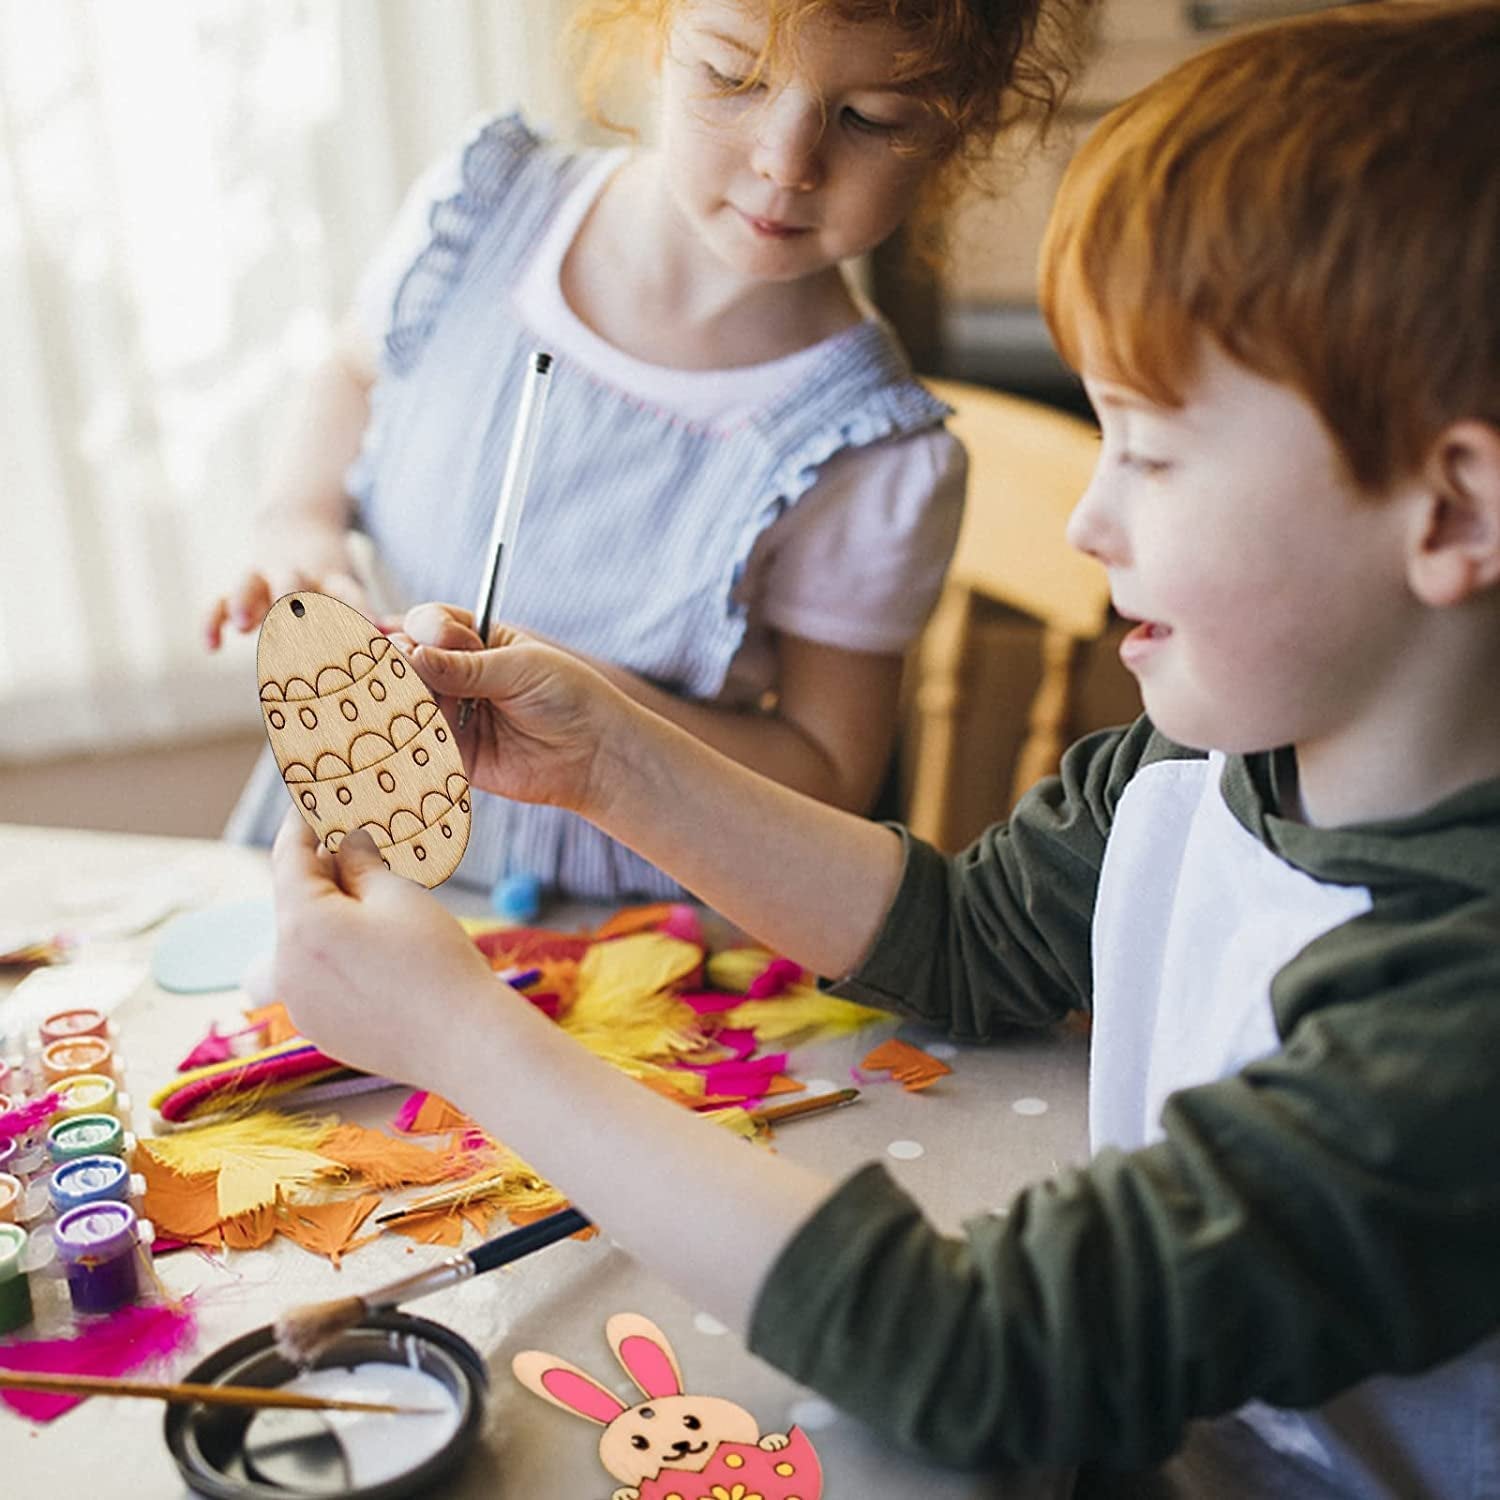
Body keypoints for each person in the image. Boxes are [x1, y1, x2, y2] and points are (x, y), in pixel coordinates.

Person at [268, 2, 1500, 1492]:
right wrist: (612, 762)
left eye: (1154, 453)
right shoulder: (1209, 776)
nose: (1086, 521)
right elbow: (970, 940)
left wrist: (469, 1042)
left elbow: (987, 1359)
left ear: (1452, 515)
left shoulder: (1458, 1025)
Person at [205, 0, 1088, 901]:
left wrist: (594, 716)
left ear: (956, 129)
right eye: (734, 78)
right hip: (341, 835)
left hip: (617, 932)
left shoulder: (866, 459)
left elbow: (825, 779)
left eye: (871, 118)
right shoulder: (483, 211)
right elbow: (354, 374)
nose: (787, 163)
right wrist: (298, 521)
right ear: (653, 31)